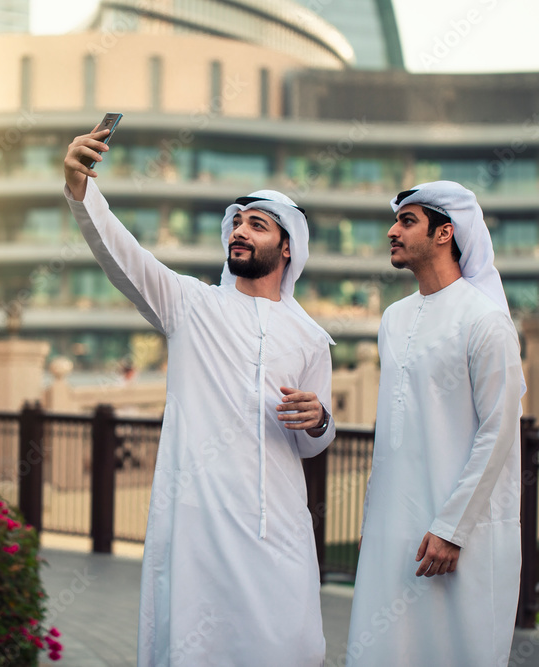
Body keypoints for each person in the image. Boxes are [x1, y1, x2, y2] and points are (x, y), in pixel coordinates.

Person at [63, 128, 336, 666]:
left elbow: (311, 447)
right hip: (202, 527)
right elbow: (122, 254)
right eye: (235, 223)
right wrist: (80, 189)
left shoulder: (311, 337)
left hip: (278, 524)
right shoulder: (190, 305)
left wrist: (320, 420)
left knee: (293, 645)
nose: (240, 231)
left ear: (286, 247)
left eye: (256, 225)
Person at [346, 182, 525, 666]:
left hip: (461, 534)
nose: (392, 231)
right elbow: (392, 433)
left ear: (445, 232)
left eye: (407, 221)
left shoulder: (485, 320)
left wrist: (452, 528)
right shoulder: (393, 319)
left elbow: (500, 430)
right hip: (392, 529)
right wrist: (374, 519)